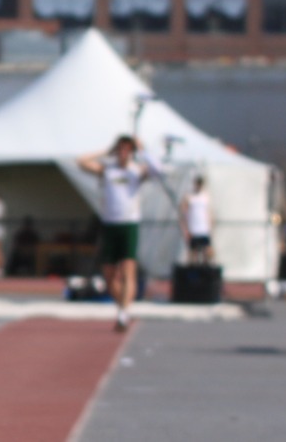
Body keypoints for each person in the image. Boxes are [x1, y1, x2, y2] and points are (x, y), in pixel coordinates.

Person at [77, 135, 163, 332]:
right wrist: (105, 151)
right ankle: (123, 308)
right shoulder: (108, 170)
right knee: (109, 274)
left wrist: (143, 151)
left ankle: (123, 313)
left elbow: (158, 170)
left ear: (131, 152)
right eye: (121, 149)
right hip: (110, 224)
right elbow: (81, 161)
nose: (123, 153)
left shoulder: (136, 171)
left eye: (127, 149)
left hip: (129, 224)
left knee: (127, 269)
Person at [181, 175, 214, 266]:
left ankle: (205, 271)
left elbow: (209, 213)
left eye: (200, 184)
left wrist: (210, 228)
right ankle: (194, 272)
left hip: (204, 229)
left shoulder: (205, 197)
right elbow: (183, 213)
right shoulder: (189, 196)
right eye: (197, 183)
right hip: (193, 229)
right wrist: (185, 229)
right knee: (193, 254)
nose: (199, 186)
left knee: (206, 253)